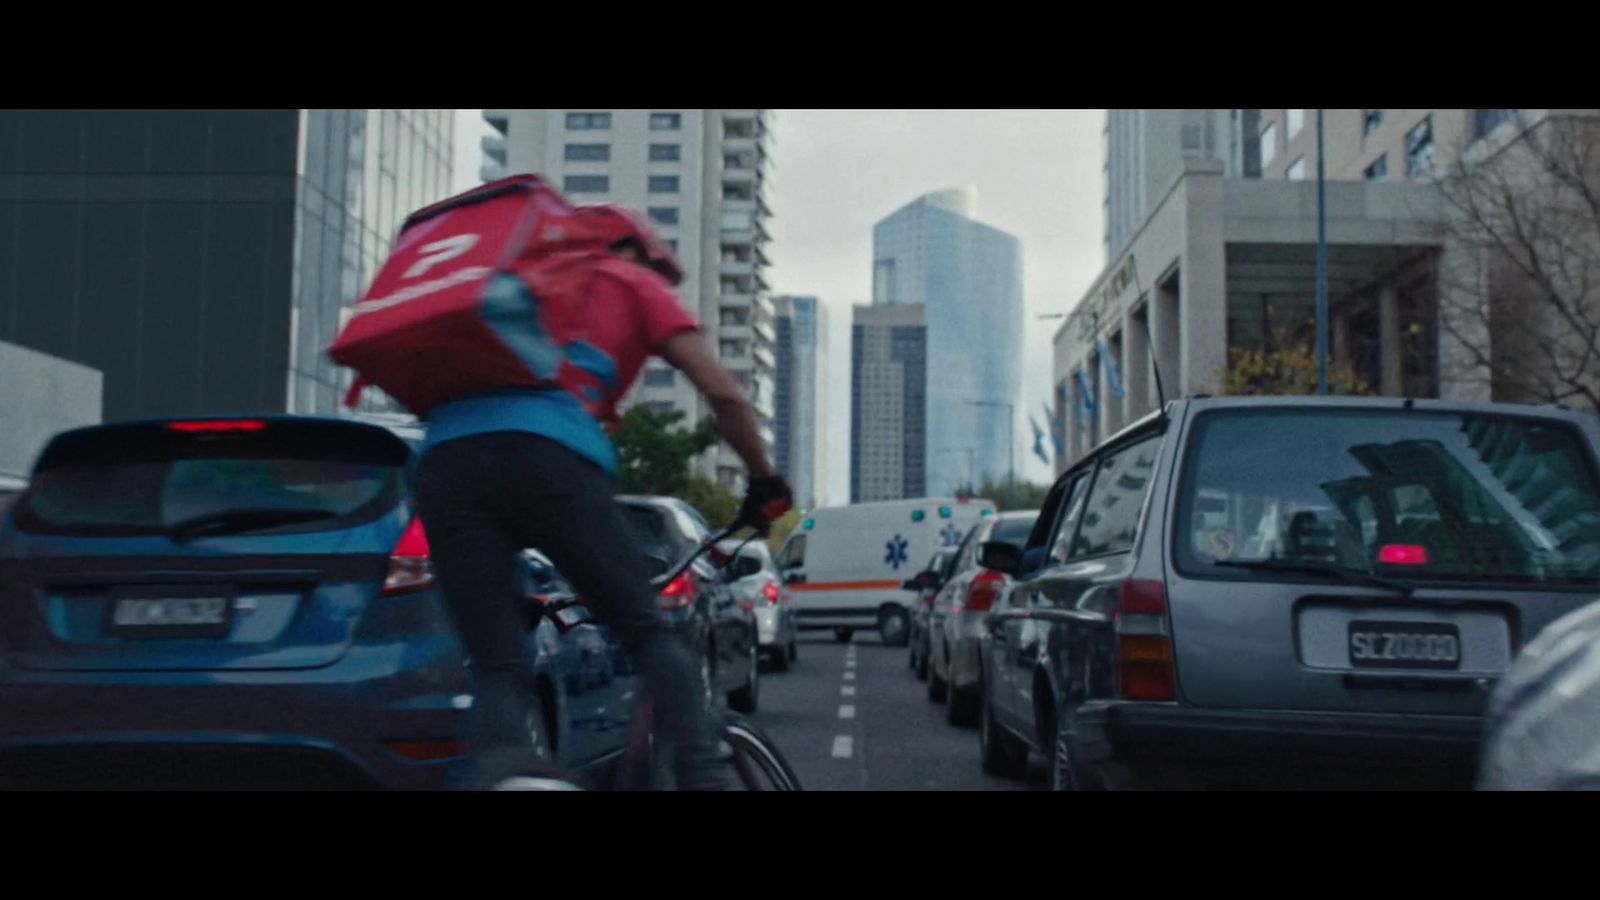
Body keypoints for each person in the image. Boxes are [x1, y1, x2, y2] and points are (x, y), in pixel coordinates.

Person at [412, 203, 792, 790]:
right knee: (649, 634)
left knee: (499, 667)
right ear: (634, 251)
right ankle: (704, 778)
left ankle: (497, 779)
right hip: (549, 459)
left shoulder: (507, 286)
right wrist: (765, 478)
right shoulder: (627, 277)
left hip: (444, 462)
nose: (661, 287)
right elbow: (725, 394)